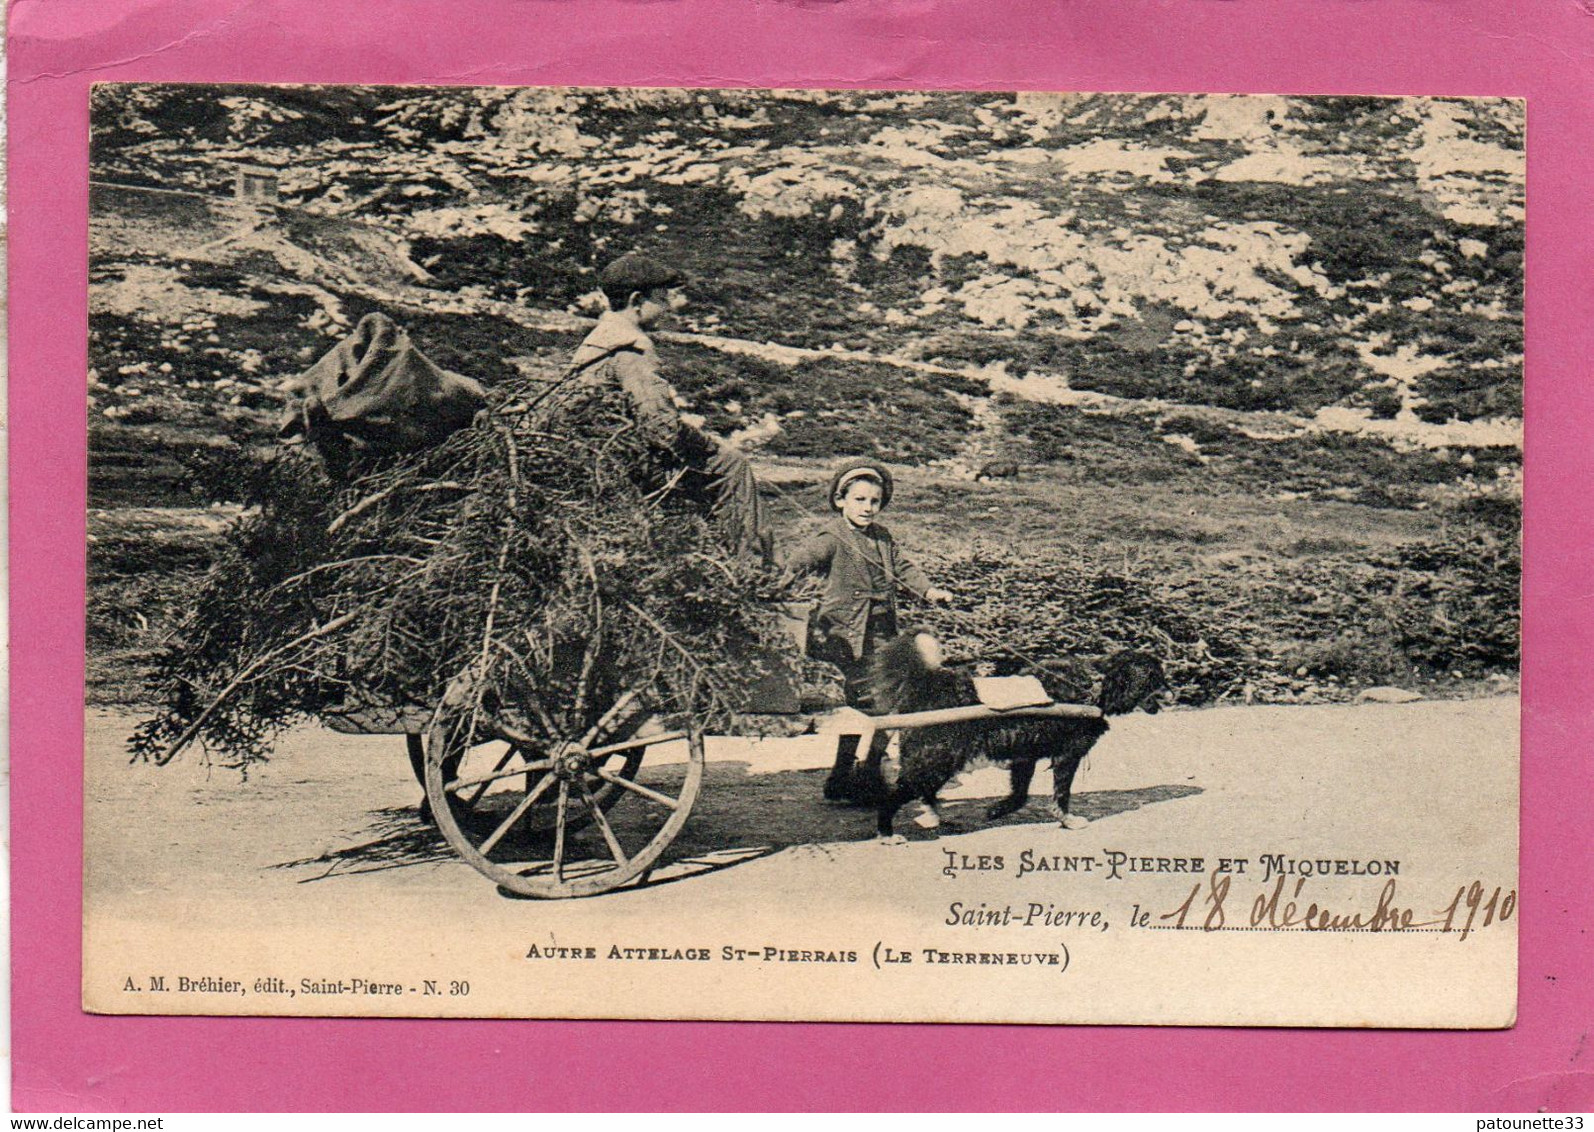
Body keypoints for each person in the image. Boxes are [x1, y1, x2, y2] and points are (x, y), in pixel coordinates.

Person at [565, 252, 774, 563]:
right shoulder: (631, 346)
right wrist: (704, 441)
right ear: (637, 301)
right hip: (632, 460)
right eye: (661, 298)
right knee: (733, 467)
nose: (668, 307)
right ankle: (752, 570)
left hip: (599, 452)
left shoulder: (597, 339)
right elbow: (660, 428)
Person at [781, 458, 951, 801]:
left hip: (882, 636)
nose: (868, 508)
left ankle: (848, 776)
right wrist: (776, 584)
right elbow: (801, 561)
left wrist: (929, 590)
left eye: (874, 501)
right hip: (845, 639)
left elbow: (904, 567)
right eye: (859, 500)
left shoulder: (882, 538)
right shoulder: (831, 537)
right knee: (879, 706)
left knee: (876, 707)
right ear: (840, 500)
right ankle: (862, 776)